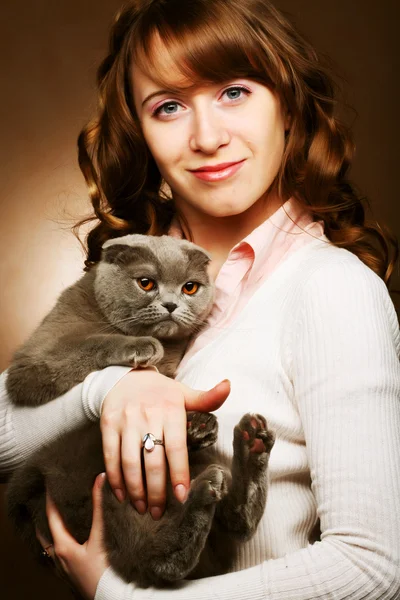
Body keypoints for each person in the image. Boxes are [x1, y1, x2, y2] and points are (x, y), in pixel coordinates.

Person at [1, 0, 399, 598]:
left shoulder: (330, 288)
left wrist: (120, 597)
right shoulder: (133, 272)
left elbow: (373, 565)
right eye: (168, 106)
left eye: (234, 92)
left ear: (287, 104)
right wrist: (110, 388)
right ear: (142, 133)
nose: (207, 137)